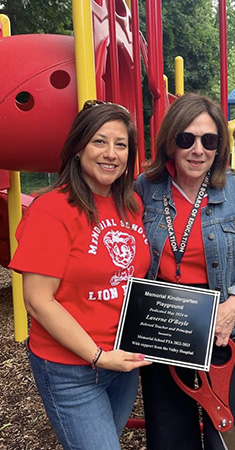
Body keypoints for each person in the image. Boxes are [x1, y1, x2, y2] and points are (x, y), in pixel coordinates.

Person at [9, 100, 152, 450]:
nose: (111, 153)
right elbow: (38, 301)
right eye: (99, 141)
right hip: (71, 368)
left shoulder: (131, 206)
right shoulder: (52, 210)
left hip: (122, 361)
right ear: (77, 148)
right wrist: (98, 356)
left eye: (121, 145)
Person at [135, 93, 235, 450]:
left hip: (223, 327)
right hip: (162, 325)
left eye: (208, 140)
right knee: (169, 437)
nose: (198, 150)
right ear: (170, 142)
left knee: (220, 435)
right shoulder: (144, 189)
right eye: (187, 139)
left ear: (219, 147)